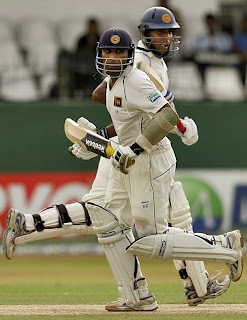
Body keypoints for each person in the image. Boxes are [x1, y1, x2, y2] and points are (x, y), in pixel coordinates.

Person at [3, 26, 243, 313]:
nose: (113, 57)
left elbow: (167, 115)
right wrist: (96, 140)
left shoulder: (136, 80)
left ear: (130, 55)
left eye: (119, 52)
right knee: (104, 217)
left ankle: (224, 246)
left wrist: (137, 148)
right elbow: (127, 122)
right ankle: (136, 297)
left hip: (151, 159)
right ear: (99, 54)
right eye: (108, 51)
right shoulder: (113, 83)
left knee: (148, 238)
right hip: (126, 161)